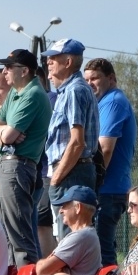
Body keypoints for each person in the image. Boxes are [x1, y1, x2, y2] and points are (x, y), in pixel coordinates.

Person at [0, 49, 50, 268]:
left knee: (20, 235)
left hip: (18, 166)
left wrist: (4, 132)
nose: (5, 71)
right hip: (6, 165)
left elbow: (6, 136)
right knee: (6, 231)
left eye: (9, 67)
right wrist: (5, 131)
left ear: (24, 71)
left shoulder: (33, 93)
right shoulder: (16, 92)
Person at [83, 58, 137, 268]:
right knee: (98, 248)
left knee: (102, 250)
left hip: (108, 191)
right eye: (86, 79)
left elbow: (105, 148)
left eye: (95, 78)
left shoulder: (113, 101)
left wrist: (92, 184)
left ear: (111, 79)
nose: (90, 83)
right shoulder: (102, 103)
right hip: (106, 190)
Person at [40, 38, 99, 219]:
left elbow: (77, 142)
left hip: (72, 173)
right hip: (73, 171)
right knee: (70, 237)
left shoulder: (74, 90)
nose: (48, 63)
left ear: (68, 62)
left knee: (71, 239)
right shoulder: (70, 90)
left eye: (54, 58)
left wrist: (56, 178)